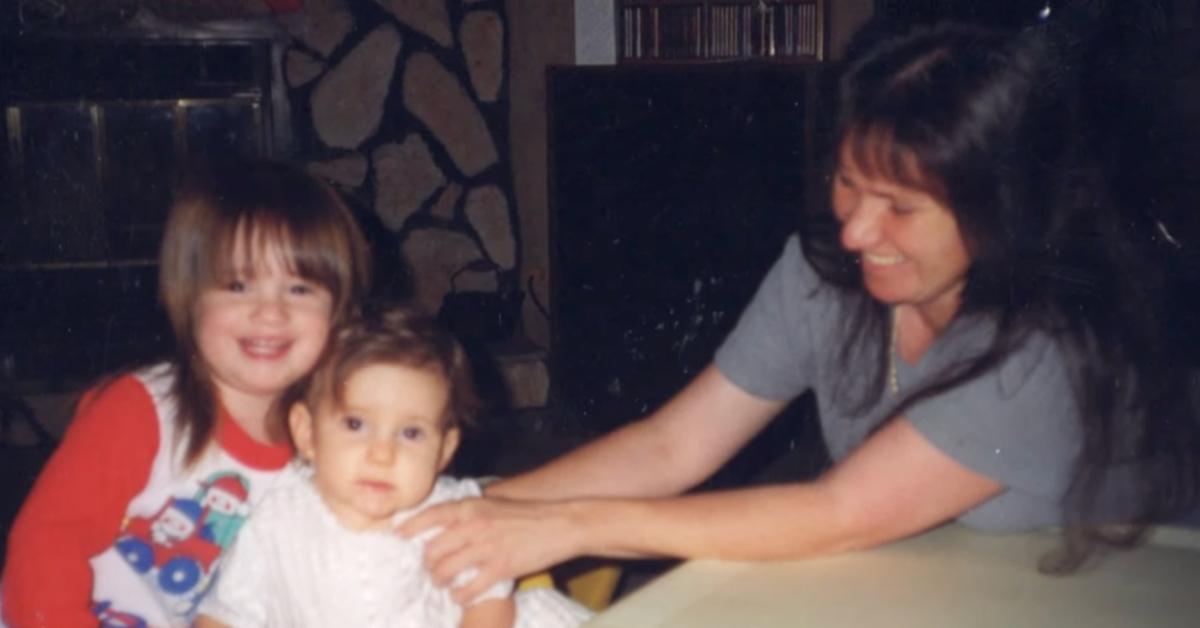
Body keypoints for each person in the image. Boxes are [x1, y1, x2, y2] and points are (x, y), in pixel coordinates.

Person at [401, 18, 1200, 603]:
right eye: (849, 181)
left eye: (901, 206)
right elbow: (673, 444)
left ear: (1005, 207)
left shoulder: (1047, 347)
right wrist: (460, 507)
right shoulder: (824, 273)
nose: (855, 230)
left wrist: (571, 527)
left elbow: (838, 512)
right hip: (922, 582)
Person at [1, 159, 371, 626]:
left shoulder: (335, 438)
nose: (270, 313)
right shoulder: (141, 411)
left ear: (339, 311)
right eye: (239, 286)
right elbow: (45, 543)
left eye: (299, 289)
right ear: (189, 295)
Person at [195, 306, 591, 628]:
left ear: (443, 450)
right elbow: (227, 613)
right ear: (306, 433)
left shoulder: (449, 515)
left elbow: (487, 606)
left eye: (411, 434)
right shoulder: (277, 519)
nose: (382, 455)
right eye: (356, 424)